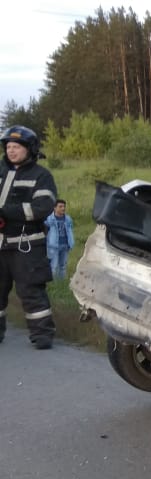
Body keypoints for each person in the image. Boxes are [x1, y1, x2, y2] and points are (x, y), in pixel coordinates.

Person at [0, 126, 58, 349]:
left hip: (27, 246)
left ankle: (42, 337)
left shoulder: (41, 175)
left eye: (17, 147)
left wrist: (8, 212)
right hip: (1, 244)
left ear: (29, 149)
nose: (11, 151)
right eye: (8, 147)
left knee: (31, 291)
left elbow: (43, 207)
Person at [45, 199, 74, 279]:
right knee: (53, 266)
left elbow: (70, 231)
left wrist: (71, 242)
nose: (63, 208)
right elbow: (45, 232)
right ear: (55, 208)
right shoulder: (49, 219)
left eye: (64, 206)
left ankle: (61, 282)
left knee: (63, 265)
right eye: (60, 206)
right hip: (54, 246)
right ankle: (52, 282)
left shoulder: (68, 219)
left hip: (65, 245)